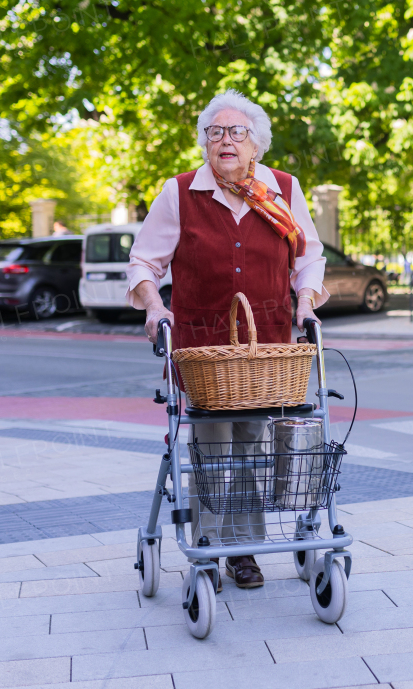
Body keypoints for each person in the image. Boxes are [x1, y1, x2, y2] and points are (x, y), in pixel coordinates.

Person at [125, 90, 329, 592]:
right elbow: (145, 262)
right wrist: (154, 305)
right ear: (204, 144)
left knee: (255, 444)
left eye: (236, 132)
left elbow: (308, 256)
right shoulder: (179, 193)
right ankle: (212, 548)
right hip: (203, 343)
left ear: (256, 144)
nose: (225, 141)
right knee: (212, 444)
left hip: (269, 345)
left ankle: (244, 550)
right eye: (215, 133)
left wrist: (305, 300)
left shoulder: (282, 189)